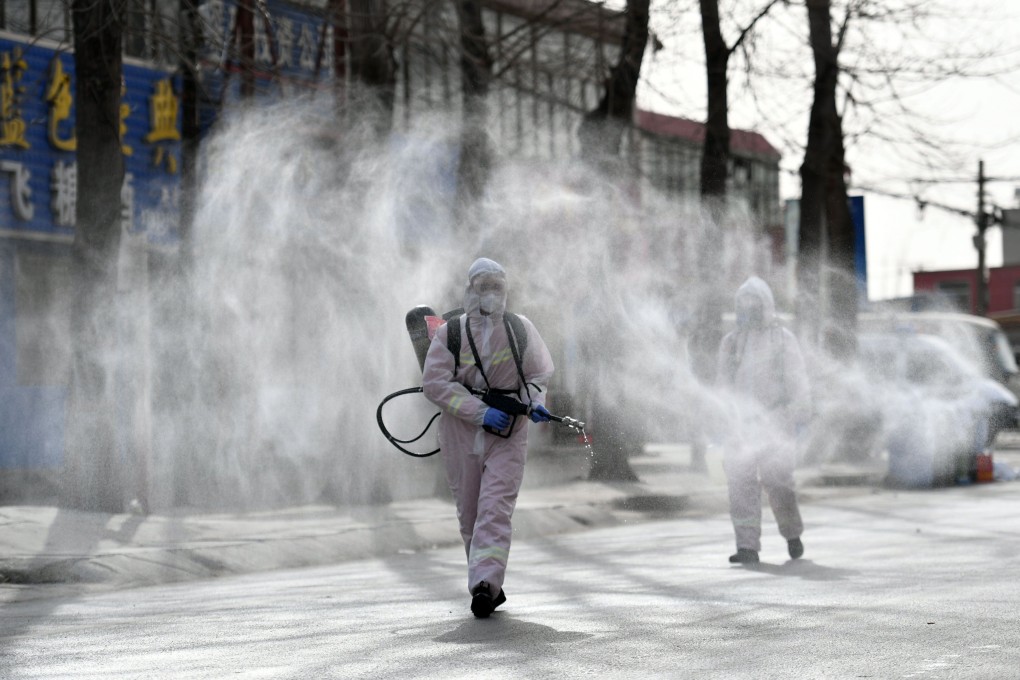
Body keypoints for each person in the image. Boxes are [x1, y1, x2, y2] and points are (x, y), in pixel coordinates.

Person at [422, 258, 555, 617]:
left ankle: (484, 585)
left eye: (498, 286)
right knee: (470, 515)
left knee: (495, 509)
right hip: (460, 432)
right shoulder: (450, 333)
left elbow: (538, 373)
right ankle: (486, 578)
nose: (492, 293)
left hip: (509, 431)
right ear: (470, 289)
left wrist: (535, 402)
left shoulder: (520, 329)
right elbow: (434, 383)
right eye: (485, 286)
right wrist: (478, 412)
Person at [715, 276, 810, 565]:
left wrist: (798, 418)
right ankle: (747, 547)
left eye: (755, 303)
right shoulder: (731, 343)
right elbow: (723, 387)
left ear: (766, 305)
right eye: (744, 303)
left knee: (779, 483)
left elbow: (798, 383)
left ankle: (792, 534)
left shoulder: (783, 340)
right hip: (741, 427)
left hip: (776, 422)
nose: (749, 309)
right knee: (740, 485)